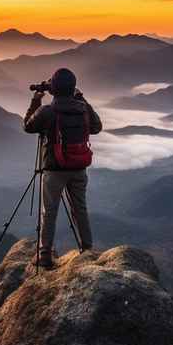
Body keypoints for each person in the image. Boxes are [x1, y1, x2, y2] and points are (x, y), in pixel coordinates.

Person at [23, 67, 102, 269]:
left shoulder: (48, 111)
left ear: (54, 89)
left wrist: (36, 101)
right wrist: (82, 98)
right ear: (73, 88)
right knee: (80, 209)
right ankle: (87, 249)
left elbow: (28, 126)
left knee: (49, 212)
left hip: (54, 169)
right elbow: (97, 127)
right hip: (79, 168)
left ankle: (45, 255)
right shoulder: (82, 108)